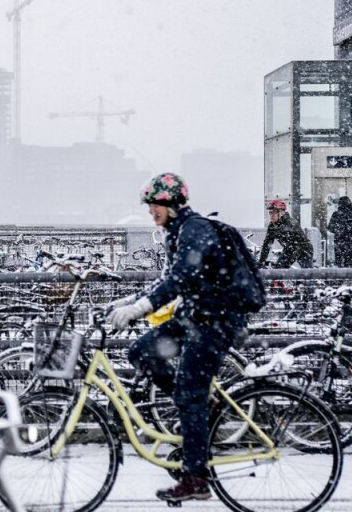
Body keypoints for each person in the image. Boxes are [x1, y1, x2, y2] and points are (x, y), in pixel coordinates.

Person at [106, 172, 248, 503]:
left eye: (155, 204)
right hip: (194, 317)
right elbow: (168, 280)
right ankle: (201, 404)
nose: (150, 211)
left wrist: (140, 308)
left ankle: (196, 478)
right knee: (140, 351)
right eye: (150, 205)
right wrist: (128, 303)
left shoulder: (194, 230)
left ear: (171, 203)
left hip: (215, 321)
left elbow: (182, 279)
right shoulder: (176, 231)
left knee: (188, 394)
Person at [258, 199, 314, 268]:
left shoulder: (290, 224)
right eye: (270, 213)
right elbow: (267, 244)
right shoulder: (272, 226)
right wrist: (261, 261)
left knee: (307, 274)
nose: (271, 215)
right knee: (279, 270)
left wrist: (284, 263)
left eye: (274, 213)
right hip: (289, 249)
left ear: (281, 213)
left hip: (304, 249)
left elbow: (295, 246)